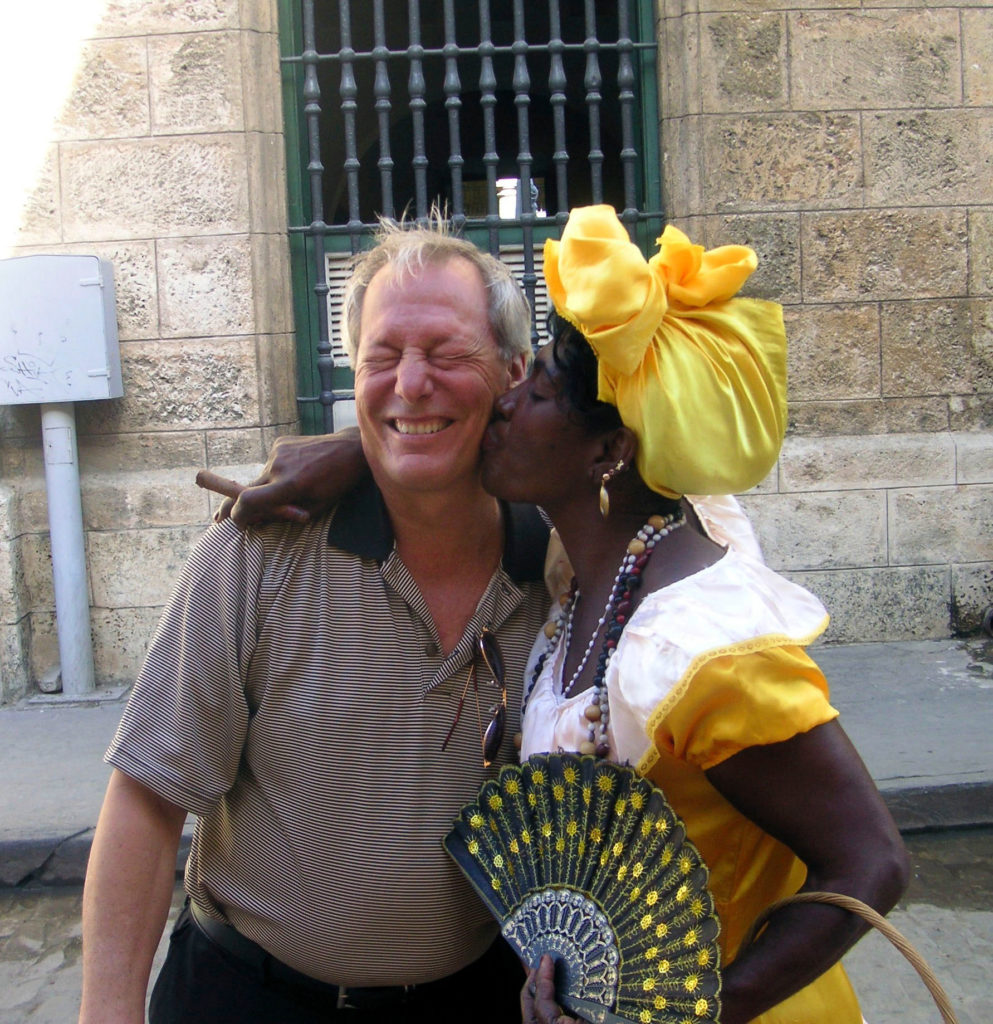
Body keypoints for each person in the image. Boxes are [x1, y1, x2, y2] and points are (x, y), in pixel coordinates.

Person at [79, 214, 555, 1024]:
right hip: (250, 997)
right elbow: (146, 800)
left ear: (514, 373)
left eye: (446, 354)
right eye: (381, 356)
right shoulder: (258, 555)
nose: (409, 383)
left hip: (472, 1001)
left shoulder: (558, 570)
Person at [474, 206, 909, 1024]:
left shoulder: (702, 645)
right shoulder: (580, 581)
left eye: (535, 391)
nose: (505, 403)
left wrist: (695, 1013)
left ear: (608, 453)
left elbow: (871, 861)